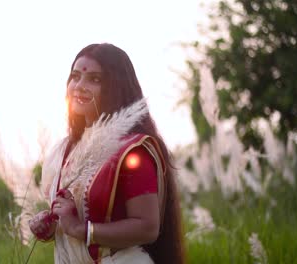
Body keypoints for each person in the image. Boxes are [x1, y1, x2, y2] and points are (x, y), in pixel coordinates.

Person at [29, 43, 185, 264]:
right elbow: (80, 215)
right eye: (75, 77)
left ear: (116, 86)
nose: (80, 86)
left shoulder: (133, 150)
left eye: (95, 79)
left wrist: (80, 229)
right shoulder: (64, 150)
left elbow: (148, 228)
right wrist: (52, 223)